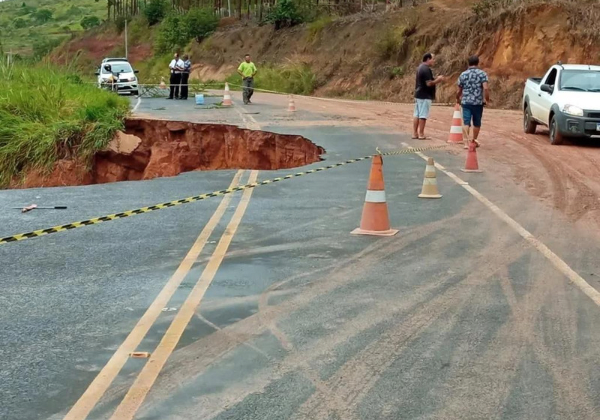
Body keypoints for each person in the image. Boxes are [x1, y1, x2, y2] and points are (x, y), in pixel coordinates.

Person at [457, 55, 490, 148]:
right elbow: (486, 88)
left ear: (469, 63)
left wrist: (457, 98)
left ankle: (465, 143)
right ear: (477, 63)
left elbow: (459, 89)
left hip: (466, 102)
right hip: (478, 102)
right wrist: (486, 99)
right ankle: (473, 140)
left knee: (466, 122)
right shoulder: (482, 74)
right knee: (477, 122)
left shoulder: (463, 74)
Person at [413, 53, 445, 140]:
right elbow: (429, 83)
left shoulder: (420, 68)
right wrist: (438, 80)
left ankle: (415, 133)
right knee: (423, 115)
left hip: (418, 94)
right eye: (433, 59)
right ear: (428, 59)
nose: (434, 61)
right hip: (425, 95)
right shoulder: (426, 69)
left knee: (417, 114)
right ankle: (421, 134)